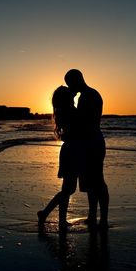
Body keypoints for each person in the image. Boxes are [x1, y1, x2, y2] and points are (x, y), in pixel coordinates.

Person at [64, 69, 109, 229]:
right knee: (92, 182)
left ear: (77, 80)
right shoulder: (88, 95)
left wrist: (70, 103)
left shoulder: (89, 96)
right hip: (91, 141)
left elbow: (82, 121)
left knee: (98, 181)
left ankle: (103, 219)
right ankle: (92, 215)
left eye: (70, 84)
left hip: (93, 142)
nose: (69, 87)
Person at [37, 85, 82, 230]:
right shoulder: (69, 111)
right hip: (72, 151)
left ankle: (59, 219)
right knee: (68, 189)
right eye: (70, 94)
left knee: (67, 189)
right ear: (66, 98)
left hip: (69, 150)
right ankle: (45, 213)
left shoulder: (62, 110)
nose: (73, 95)